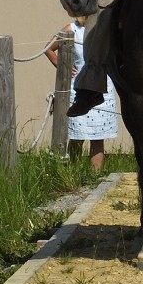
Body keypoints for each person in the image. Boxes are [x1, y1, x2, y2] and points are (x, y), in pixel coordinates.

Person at [46, 17, 118, 171]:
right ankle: (72, 174)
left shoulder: (105, 27)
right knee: (77, 136)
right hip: (78, 89)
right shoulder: (71, 28)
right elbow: (48, 48)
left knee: (98, 138)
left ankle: (94, 178)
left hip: (102, 88)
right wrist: (62, 64)